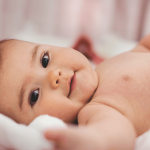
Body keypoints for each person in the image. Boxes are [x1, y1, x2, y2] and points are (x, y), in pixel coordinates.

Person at [0, 34, 150, 150]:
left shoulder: (106, 64)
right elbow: (117, 134)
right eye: (34, 95)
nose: (54, 76)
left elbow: (143, 48)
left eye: (44, 60)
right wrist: (91, 140)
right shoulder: (96, 109)